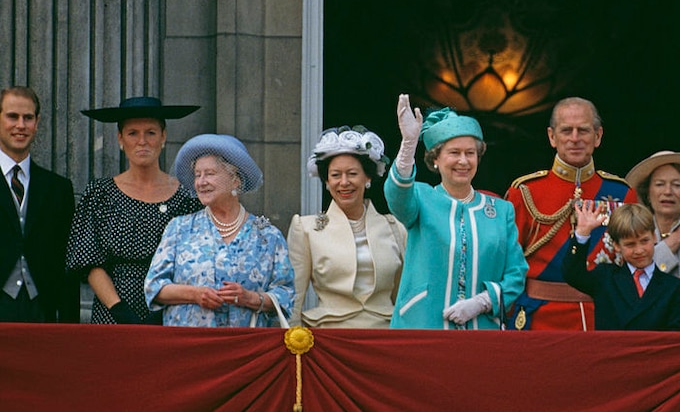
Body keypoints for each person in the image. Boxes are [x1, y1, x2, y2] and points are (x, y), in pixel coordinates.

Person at [385, 95, 526, 330]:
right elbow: (397, 197)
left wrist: (483, 302)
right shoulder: (420, 198)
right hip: (423, 325)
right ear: (436, 159)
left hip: (482, 330)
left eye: (470, 153)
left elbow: (516, 274)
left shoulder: (501, 211)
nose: (463, 161)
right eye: (454, 153)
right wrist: (408, 146)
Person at [505, 97, 637, 331]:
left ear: (598, 136)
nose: (575, 138)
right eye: (566, 130)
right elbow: (507, 263)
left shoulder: (621, 194)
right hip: (540, 317)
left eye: (583, 130)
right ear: (552, 137)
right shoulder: (525, 192)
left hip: (603, 318)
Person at [66, 96, 201, 324]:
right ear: (120, 139)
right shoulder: (100, 193)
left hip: (172, 313)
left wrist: (159, 312)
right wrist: (119, 311)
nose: (142, 141)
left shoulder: (187, 196)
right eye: (132, 133)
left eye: (151, 132)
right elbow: (88, 260)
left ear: (163, 137)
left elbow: (196, 262)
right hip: (113, 314)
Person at [145, 134, 294, 327]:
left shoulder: (267, 235)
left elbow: (286, 294)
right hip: (190, 347)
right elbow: (154, 287)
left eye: (210, 173)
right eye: (197, 175)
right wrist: (195, 294)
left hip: (245, 347)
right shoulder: (179, 228)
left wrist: (250, 298)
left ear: (235, 180)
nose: (201, 182)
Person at [287, 126, 406, 328]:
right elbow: (295, 297)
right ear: (326, 181)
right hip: (328, 338)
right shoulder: (305, 228)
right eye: (335, 175)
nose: (344, 183)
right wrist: (293, 344)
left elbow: (403, 294)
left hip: (385, 336)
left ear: (367, 178)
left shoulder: (395, 228)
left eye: (352, 173)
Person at [0, 86, 76, 322]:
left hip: (42, 310)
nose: (20, 125)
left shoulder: (58, 188)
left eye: (28, 118)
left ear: (37, 122)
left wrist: (69, 324)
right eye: (12, 116)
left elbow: (67, 260)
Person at [563, 201, 680, 331]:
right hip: (613, 350)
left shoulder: (673, 287)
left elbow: (674, 340)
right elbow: (572, 274)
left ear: (654, 237)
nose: (639, 250)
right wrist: (582, 233)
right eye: (630, 244)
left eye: (644, 241)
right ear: (616, 245)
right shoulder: (605, 278)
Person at [625, 150, 680, 325]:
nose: (668, 192)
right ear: (647, 192)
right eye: (659, 184)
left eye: (676, 185)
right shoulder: (633, 231)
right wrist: (674, 241)